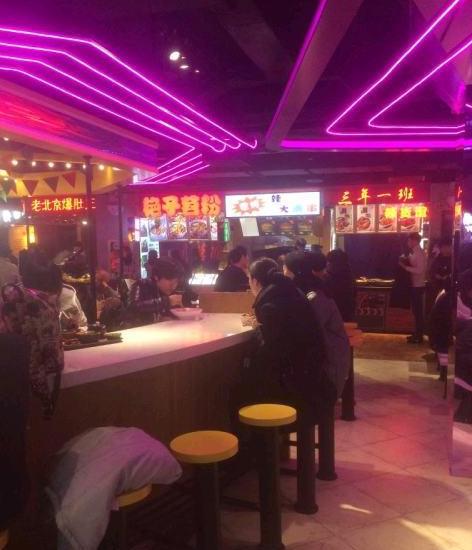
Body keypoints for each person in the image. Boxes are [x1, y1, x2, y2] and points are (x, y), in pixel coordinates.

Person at [247, 257, 334, 421]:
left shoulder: (269, 303)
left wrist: (257, 330)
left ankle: (263, 435)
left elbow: (272, 352)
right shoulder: (290, 291)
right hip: (315, 376)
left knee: (240, 391)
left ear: (255, 281)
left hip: (296, 385)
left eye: (249, 280)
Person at [1, 262, 64, 418]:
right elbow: (34, 361)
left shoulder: (16, 298)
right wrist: (46, 401)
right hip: (16, 386)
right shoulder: (40, 309)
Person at [284, 251, 350, 398]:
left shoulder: (314, 296)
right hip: (324, 362)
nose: (284, 273)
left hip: (329, 366)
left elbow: (307, 331)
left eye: (285, 269)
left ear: (295, 272)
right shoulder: (307, 291)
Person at [129, 258, 182, 326]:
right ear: (156, 277)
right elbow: (133, 307)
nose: (174, 287)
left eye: (176, 282)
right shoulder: (140, 285)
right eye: (171, 283)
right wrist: (167, 301)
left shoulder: (167, 291)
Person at [399, 232, 427, 344]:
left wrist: (405, 267)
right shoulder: (415, 252)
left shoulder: (419, 253)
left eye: (409, 240)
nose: (408, 242)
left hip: (418, 286)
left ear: (415, 241)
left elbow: (420, 270)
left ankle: (419, 336)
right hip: (415, 285)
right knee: (416, 312)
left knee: (418, 312)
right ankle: (417, 334)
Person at [325, 249, 356, 322]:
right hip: (347, 314)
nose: (327, 264)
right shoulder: (349, 275)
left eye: (329, 262)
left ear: (334, 264)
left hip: (336, 315)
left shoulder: (330, 278)